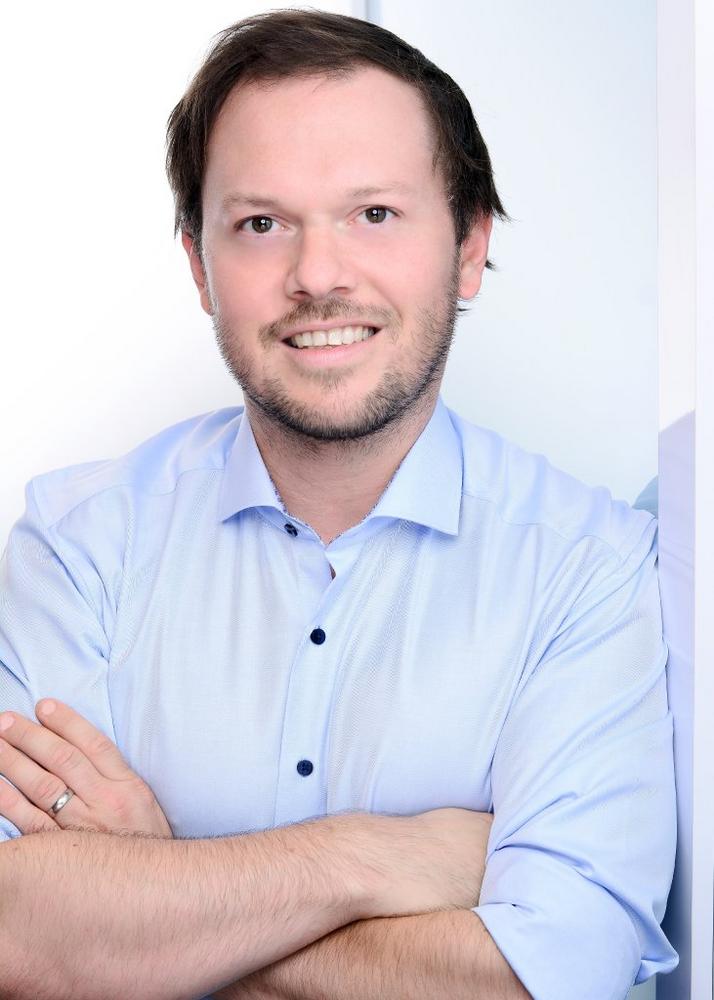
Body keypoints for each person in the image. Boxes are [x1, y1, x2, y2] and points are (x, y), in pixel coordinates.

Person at [0, 10, 676, 1000]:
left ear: (469, 246)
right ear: (198, 266)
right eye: (260, 224)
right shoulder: (77, 546)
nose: (317, 275)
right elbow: (17, 935)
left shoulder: (593, 568)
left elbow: (545, 980)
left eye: (375, 214)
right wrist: (379, 857)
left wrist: (155, 900)